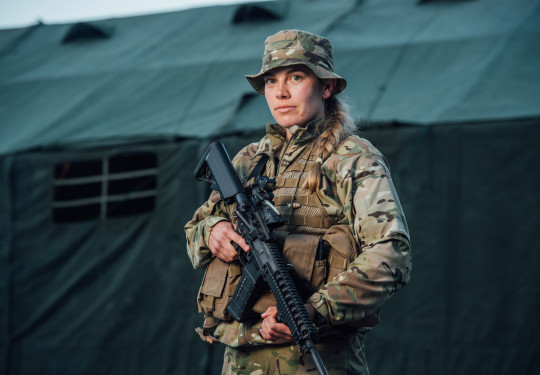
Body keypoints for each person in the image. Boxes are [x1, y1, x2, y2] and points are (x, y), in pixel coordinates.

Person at [185, 29, 411, 375]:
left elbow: (392, 252)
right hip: (240, 360)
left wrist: (314, 310)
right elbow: (193, 235)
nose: (281, 92)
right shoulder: (249, 160)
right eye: (271, 81)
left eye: (295, 76)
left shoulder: (351, 158)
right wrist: (213, 231)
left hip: (317, 359)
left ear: (326, 86)